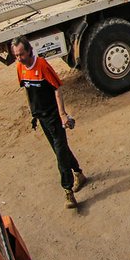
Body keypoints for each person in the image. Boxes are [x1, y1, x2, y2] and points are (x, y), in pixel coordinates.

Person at [11, 37, 86, 209]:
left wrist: (62, 114)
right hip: (42, 118)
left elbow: (57, 89)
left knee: (60, 153)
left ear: (29, 50)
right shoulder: (19, 68)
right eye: (16, 55)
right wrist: (33, 114)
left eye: (21, 54)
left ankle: (68, 191)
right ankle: (79, 173)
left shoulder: (43, 66)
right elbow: (27, 91)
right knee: (60, 149)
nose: (19, 58)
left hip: (53, 117)